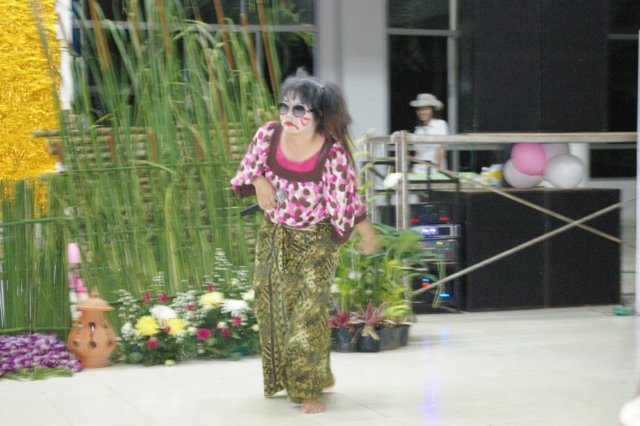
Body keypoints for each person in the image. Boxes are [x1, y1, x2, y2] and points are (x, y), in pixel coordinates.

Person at [230, 73, 378, 414]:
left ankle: (307, 389)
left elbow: (347, 199)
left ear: (318, 115)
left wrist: (367, 233)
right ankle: (317, 373)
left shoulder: (332, 153)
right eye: (284, 106)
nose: (289, 116)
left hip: (317, 240)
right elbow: (248, 169)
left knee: (308, 314)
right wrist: (259, 180)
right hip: (275, 235)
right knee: (274, 311)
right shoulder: (268, 135)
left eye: (300, 110)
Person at [409, 93, 450, 173]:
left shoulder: (440, 124)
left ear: (432, 110)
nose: (421, 112)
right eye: (419, 109)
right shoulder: (418, 129)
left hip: (434, 171)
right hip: (418, 171)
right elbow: (418, 154)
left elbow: (440, 149)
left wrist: (439, 171)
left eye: (425, 109)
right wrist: (411, 171)